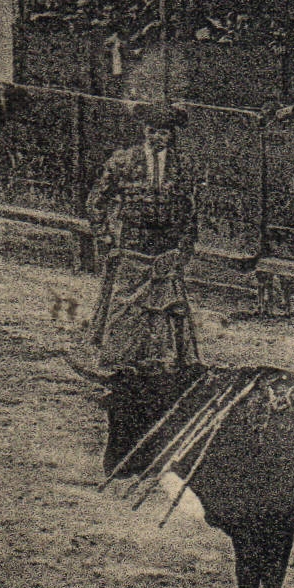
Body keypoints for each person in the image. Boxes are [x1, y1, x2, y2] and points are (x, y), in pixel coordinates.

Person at [80, 105, 201, 382]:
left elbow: (191, 211)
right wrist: (106, 238)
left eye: (163, 132)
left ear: (172, 135)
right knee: (125, 302)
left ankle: (173, 364)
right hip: (133, 241)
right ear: (144, 131)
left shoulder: (184, 166)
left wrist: (184, 248)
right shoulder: (124, 161)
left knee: (170, 304)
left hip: (168, 243)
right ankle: (115, 362)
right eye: (152, 131)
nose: (157, 137)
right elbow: (95, 202)